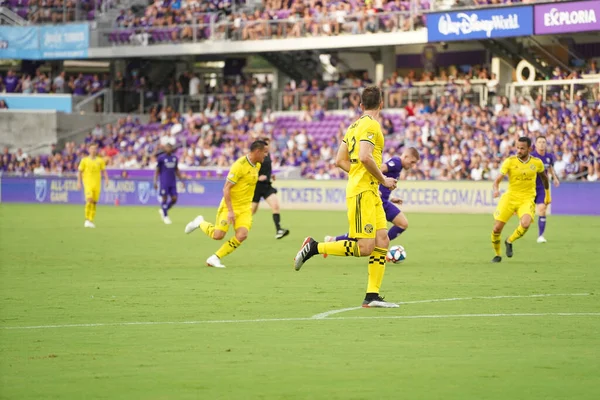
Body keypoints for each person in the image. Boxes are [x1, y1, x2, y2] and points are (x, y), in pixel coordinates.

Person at [292, 86, 399, 308]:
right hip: (363, 193)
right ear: (381, 104)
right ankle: (315, 247)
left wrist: (364, 177)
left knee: (383, 240)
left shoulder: (353, 127)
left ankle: (372, 296)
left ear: (361, 105)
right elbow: (365, 156)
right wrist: (383, 180)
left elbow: (339, 160)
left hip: (368, 191)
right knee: (365, 247)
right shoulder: (371, 124)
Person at [184, 140, 269, 268]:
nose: (266, 155)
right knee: (218, 235)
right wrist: (230, 211)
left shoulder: (257, 166)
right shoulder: (239, 165)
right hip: (230, 206)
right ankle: (199, 222)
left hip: (245, 208)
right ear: (257, 151)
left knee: (242, 235)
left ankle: (215, 258)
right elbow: (226, 188)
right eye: (265, 152)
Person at [324, 148, 420, 247]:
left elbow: (383, 182)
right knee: (401, 224)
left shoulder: (398, 166)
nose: (412, 165)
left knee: (367, 233)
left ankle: (333, 240)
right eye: (412, 162)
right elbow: (379, 169)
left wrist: (391, 198)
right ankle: (379, 245)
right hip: (378, 201)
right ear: (405, 156)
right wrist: (373, 187)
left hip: (382, 201)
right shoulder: (396, 163)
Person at [491, 137, 550, 263]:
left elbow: (545, 179)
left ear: (529, 149)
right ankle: (497, 254)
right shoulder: (509, 161)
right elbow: (497, 180)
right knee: (496, 229)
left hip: (527, 198)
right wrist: (496, 189)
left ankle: (509, 241)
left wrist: (547, 195)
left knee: (526, 224)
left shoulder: (537, 163)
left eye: (522, 148)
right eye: (517, 147)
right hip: (510, 197)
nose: (519, 150)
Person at [251, 138, 289, 239]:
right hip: (257, 187)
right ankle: (239, 224)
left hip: (267, 185)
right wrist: (257, 178)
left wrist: (270, 175)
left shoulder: (267, 156)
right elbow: (250, 171)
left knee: (275, 206)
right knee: (252, 211)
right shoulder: (256, 157)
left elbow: (266, 169)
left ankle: (279, 230)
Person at [530, 136, 560, 243]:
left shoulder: (549, 156)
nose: (542, 144)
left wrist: (555, 178)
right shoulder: (531, 156)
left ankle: (541, 235)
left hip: (543, 187)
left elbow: (550, 168)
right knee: (527, 214)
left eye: (544, 142)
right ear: (536, 144)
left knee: (542, 208)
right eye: (539, 142)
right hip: (530, 187)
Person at [77, 144, 109, 228]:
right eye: (91, 149)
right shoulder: (84, 160)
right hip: (88, 183)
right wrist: (79, 182)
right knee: (89, 199)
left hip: (97, 184)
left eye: (95, 149)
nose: (93, 150)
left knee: (94, 202)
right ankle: (87, 219)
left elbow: (103, 171)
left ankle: (91, 220)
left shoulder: (100, 160)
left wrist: (106, 179)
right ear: (89, 150)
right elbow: (80, 172)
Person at [154, 143, 184, 225]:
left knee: (174, 199)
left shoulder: (174, 158)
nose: (168, 149)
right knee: (164, 198)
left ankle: (164, 209)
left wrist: (182, 180)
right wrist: (155, 181)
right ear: (164, 149)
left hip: (172, 182)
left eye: (170, 147)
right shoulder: (161, 158)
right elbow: (157, 170)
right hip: (164, 182)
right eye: (167, 147)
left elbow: (176, 170)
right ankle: (166, 216)